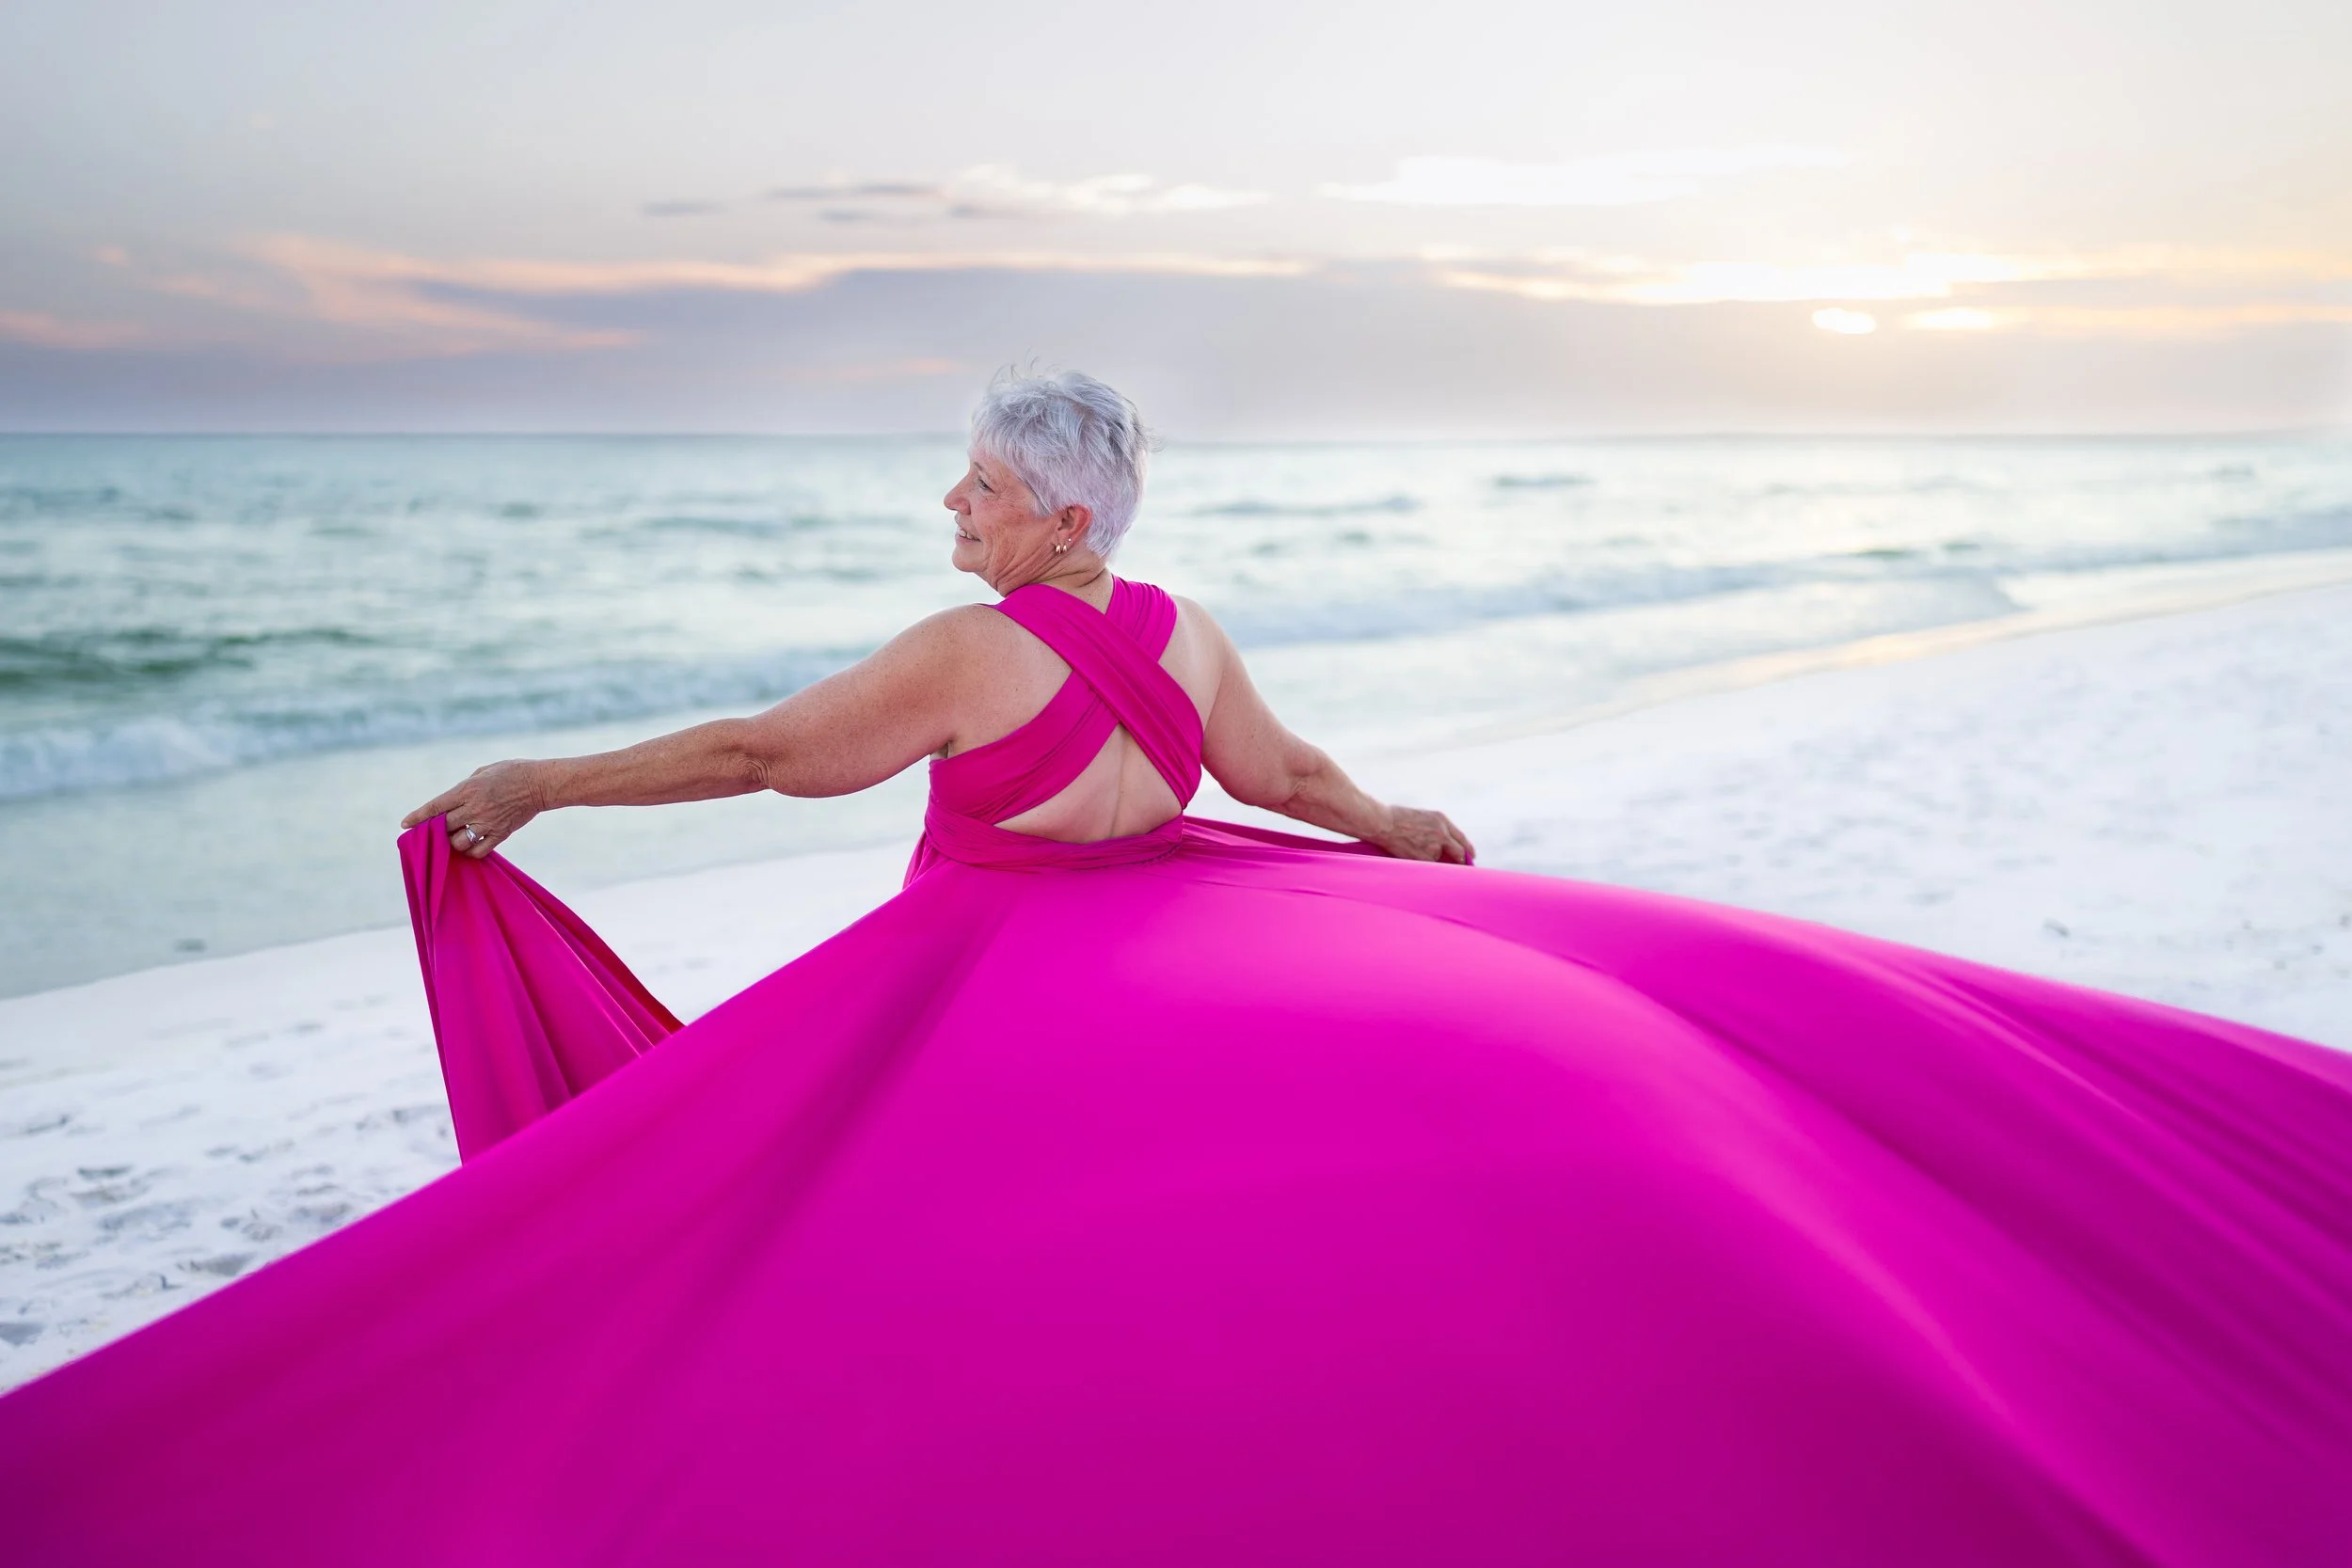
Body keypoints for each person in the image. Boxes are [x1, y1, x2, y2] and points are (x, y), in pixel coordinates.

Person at [3, 372, 2349, 1567]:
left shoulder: (960, 646)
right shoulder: (1177, 627)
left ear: (1054, 513)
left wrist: (531, 775)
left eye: (976, 488)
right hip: (1191, 916)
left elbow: (763, 756)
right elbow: (1285, 763)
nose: (948, 510)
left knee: (791, 1255)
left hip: (996, 979)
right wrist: (1388, 826)